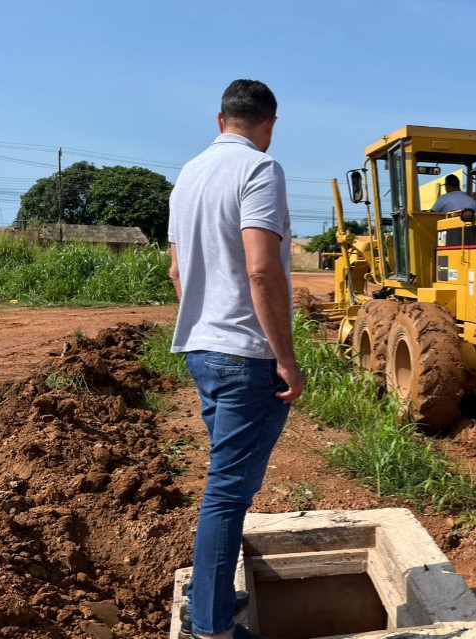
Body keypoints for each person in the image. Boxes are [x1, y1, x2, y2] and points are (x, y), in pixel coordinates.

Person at [168, 79, 305, 639]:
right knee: (226, 495)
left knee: (226, 487)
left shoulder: (187, 176)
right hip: (247, 358)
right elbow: (261, 269)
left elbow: (178, 272)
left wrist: (205, 326)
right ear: (269, 124)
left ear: (219, 118)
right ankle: (212, 628)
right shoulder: (259, 171)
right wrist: (285, 358)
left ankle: (212, 596)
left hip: (202, 349)